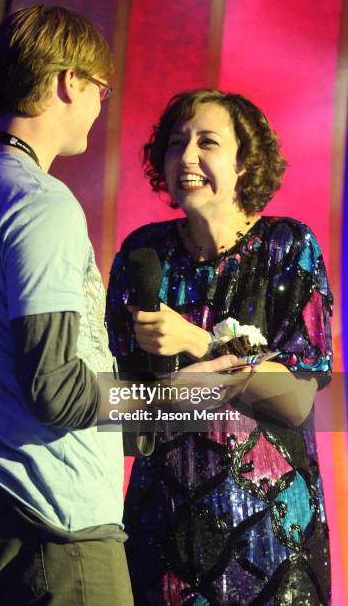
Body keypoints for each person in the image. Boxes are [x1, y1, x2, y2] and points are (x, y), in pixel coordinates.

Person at [0, 5, 134, 606]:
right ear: (71, 81)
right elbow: (56, 390)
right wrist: (170, 398)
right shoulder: (41, 204)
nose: (102, 104)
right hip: (56, 525)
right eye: (102, 88)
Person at [106, 90, 332, 605]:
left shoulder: (288, 246)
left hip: (273, 537)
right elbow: (117, 416)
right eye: (174, 143)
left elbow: (295, 402)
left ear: (244, 162)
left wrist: (199, 341)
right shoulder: (143, 255)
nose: (185, 157)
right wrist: (168, 394)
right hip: (163, 530)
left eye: (206, 142)